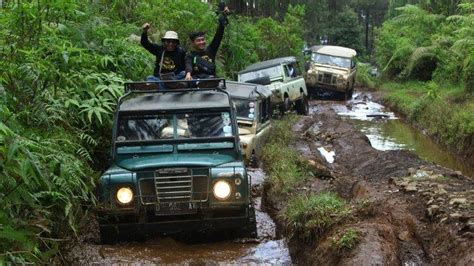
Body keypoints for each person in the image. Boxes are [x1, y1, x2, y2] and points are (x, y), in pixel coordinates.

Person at [185, 7, 230, 81]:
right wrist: (188, 73)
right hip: (197, 84)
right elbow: (188, 65)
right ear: (193, 43)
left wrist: (224, 17)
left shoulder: (211, 50)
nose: (201, 42)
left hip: (212, 82)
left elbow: (218, 37)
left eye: (203, 40)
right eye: (198, 40)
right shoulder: (190, 55)